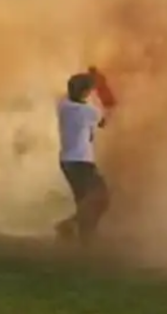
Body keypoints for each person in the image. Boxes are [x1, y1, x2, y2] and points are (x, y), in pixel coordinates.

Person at [54, 71, 111, 244]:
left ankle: (85, 241)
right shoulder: (88, 111)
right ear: (86, 92)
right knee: (102, 198)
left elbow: (68, 95)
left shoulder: (63, 106)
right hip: (82, 162)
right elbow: (104, 120)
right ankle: (68, 225)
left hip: (67, 161)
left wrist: (91, 82)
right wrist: (101, 86)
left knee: (84, 201)